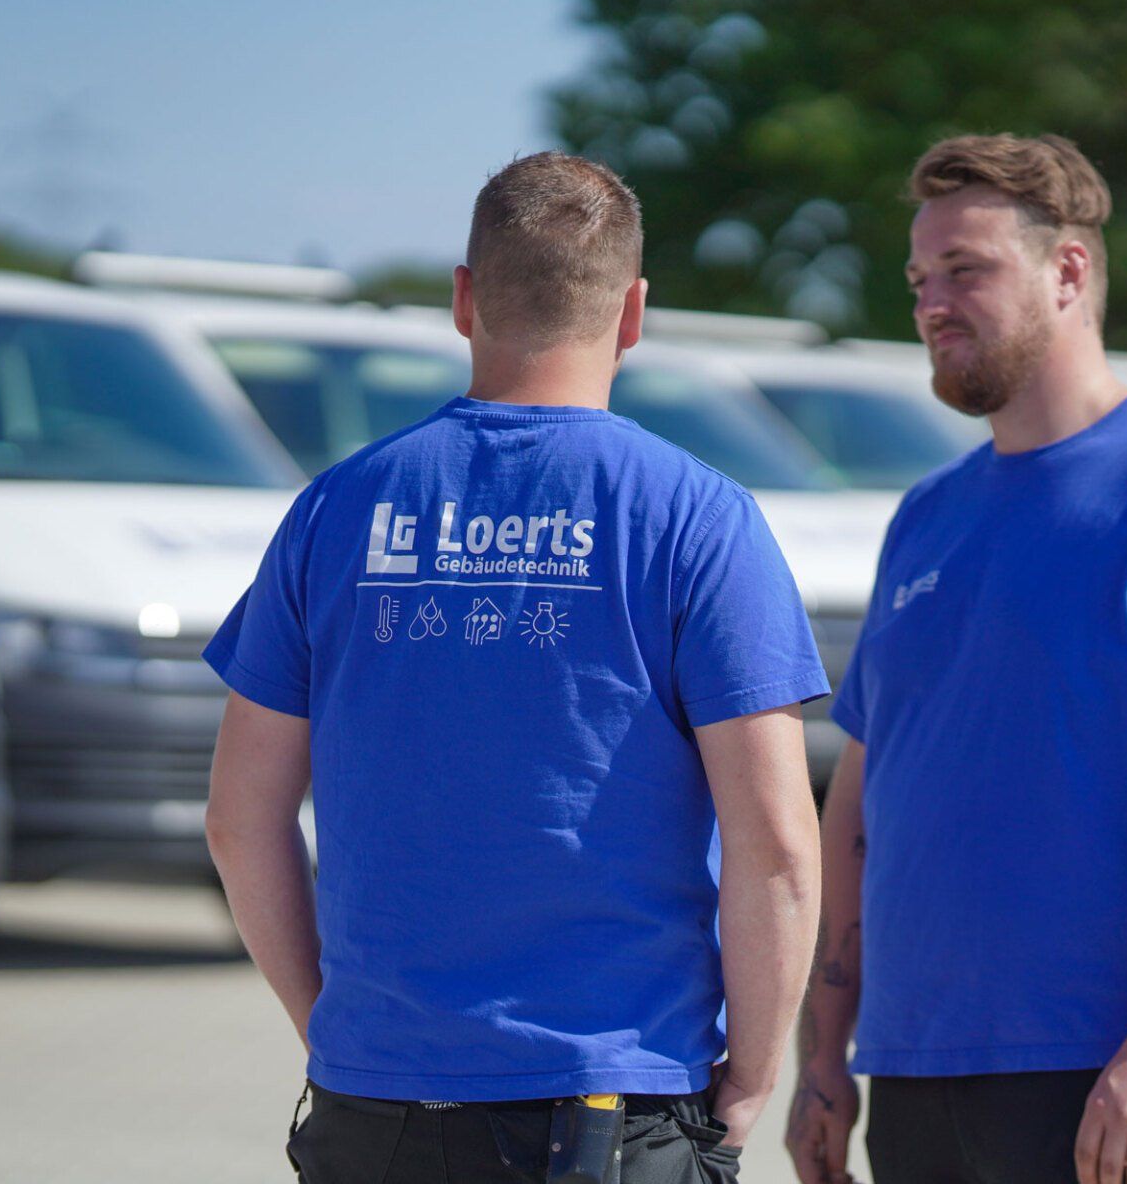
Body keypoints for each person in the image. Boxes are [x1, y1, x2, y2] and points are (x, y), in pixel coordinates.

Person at [204, 151, 826, 1183]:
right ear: (633, 313)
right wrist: (752, 1076)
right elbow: (774, 845)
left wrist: (338, 1027)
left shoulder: (337, 507)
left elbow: (239, 814)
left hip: (376, 1099)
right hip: (612, 1100)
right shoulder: (697, 517)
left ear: (463, 298)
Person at [787, 134, 1127, 1184]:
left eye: (967, 270)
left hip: (1120, 1078)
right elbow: (859, 797)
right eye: (919, 278)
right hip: (922, 1067)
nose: (932, 302)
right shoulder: (929, 516)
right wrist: (825, 1052)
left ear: (1068, 271)